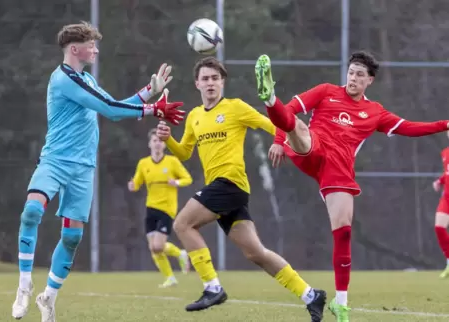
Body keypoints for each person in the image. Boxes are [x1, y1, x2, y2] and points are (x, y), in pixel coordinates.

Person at [255, 51, 449, 322]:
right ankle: (269, 97)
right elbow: (292, 109)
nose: (353, 78)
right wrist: (278, 138)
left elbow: (409, 127)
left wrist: (445, 124)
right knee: (297, 127)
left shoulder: (375, 112)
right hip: (313, 149)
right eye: (351, 72)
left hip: (338, 169)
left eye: (360, 74)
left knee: (343, 232)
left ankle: (341, 303)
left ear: (369, 80)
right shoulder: (326, 91)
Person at [11, 21, 184, 321]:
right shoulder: (63, 79)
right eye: (92, 44)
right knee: (31, 212)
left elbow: (114, 106)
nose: (96, 49)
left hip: (83, 169)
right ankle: (24, 285)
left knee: (72, 238)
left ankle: (48, 298)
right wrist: (153, 109)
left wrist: (148, 92)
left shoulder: (86, 79)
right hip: (55, 161)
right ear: (75, 48)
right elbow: (110, 109)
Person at [156, 56, 326, 321]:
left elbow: (275, 123)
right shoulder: (194, 117)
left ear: (222, 82)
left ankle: (212, 287)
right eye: (205, 79)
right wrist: (169, 141)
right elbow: (185, 154)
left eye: (215, 78)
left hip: (231, 183)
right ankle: (311, 295)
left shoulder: (236, 108)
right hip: (222, 189)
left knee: (182, 224)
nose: (210, 83)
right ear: (197, 84)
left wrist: (281, 141)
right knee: (255, 253)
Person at [128, 128, 193, 287]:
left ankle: (180, 254)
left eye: (160, 141)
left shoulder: (172, 162)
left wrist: (176, 182)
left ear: (164, 145)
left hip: (167, 208)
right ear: (150, 144)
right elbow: (137, 181)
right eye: (155, 141)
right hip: (151, 207)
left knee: (158, 245)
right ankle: (170, 278)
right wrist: (133, 186)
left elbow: (188, 178)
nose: (158, 144)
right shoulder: (144, 163)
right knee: (154, 248)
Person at [432, 132, 449, 278]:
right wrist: (440, 181)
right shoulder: (445, 153)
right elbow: (447, 173)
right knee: (439, 227)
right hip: (447, 198)